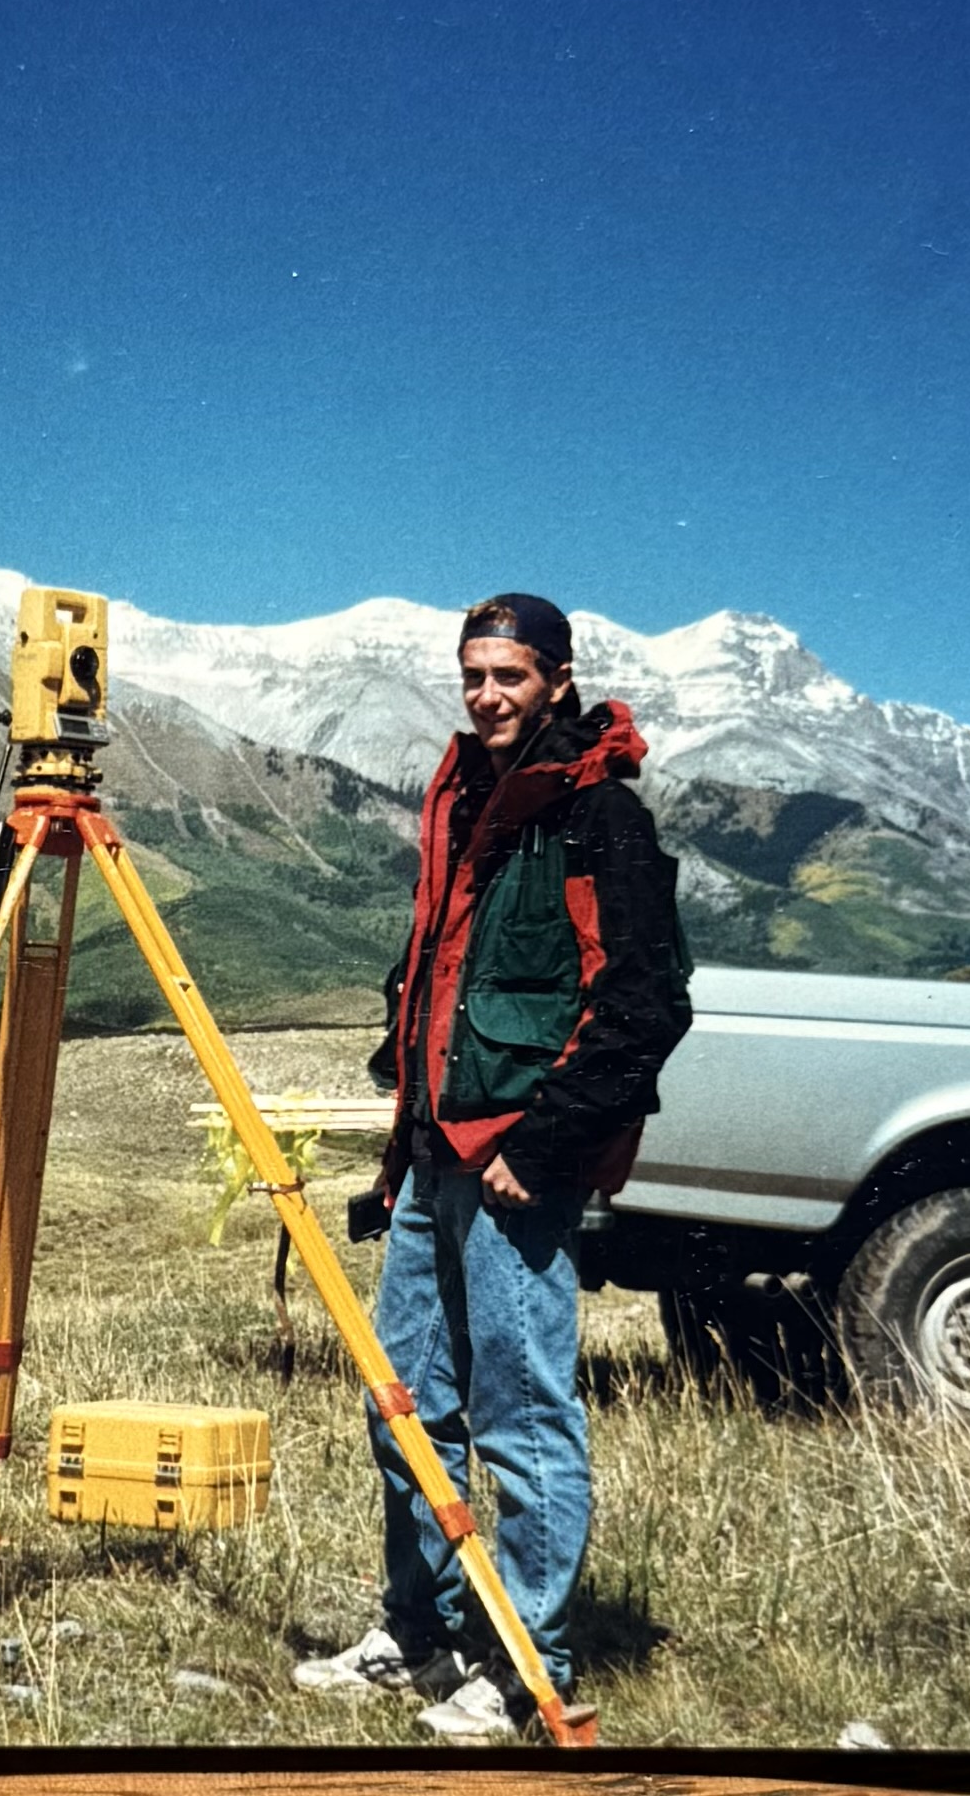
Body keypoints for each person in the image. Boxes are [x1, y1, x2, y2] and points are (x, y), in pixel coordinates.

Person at [294, 591, 691, 1740]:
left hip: (516, 1162)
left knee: (520, 1415)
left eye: (508, 676)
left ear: (557, 680)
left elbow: (646, 1002)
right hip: (434, 1152)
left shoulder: (600, 815)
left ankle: (525, 1667)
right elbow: (442, 962)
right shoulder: (469, 793)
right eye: (472, 675)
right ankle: (416, 1634)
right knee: (405, 1404)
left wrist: (548, 1138)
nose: (485, 695)